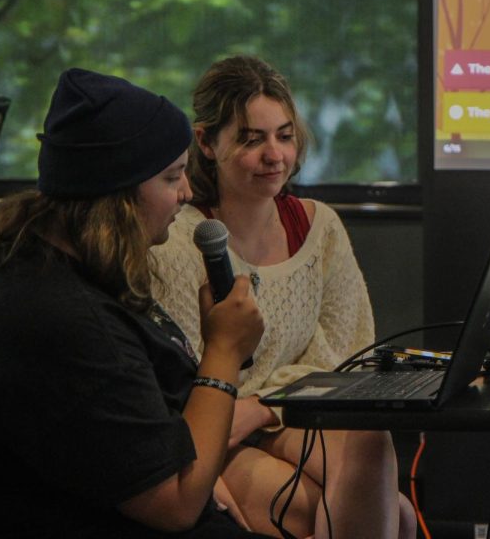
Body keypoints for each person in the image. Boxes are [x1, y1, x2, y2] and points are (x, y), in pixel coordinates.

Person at [0, 68, 266, 538]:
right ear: (118, 197)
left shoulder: (11, 261)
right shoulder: (66, 320)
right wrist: (225, 351)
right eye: (172, 177)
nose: (187, 192)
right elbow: (173, 505)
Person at [151, 55, 416, 539]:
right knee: (391, 515)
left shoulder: (320, 228)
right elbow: (178, 378)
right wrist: (235, 425)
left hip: (283, 413)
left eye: (284, 135)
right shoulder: (174, 242)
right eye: (253, 139)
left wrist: (265, 407)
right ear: (207, 143)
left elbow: (346, 356)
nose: (275, 154)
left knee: (371, 441)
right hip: (215, 431)